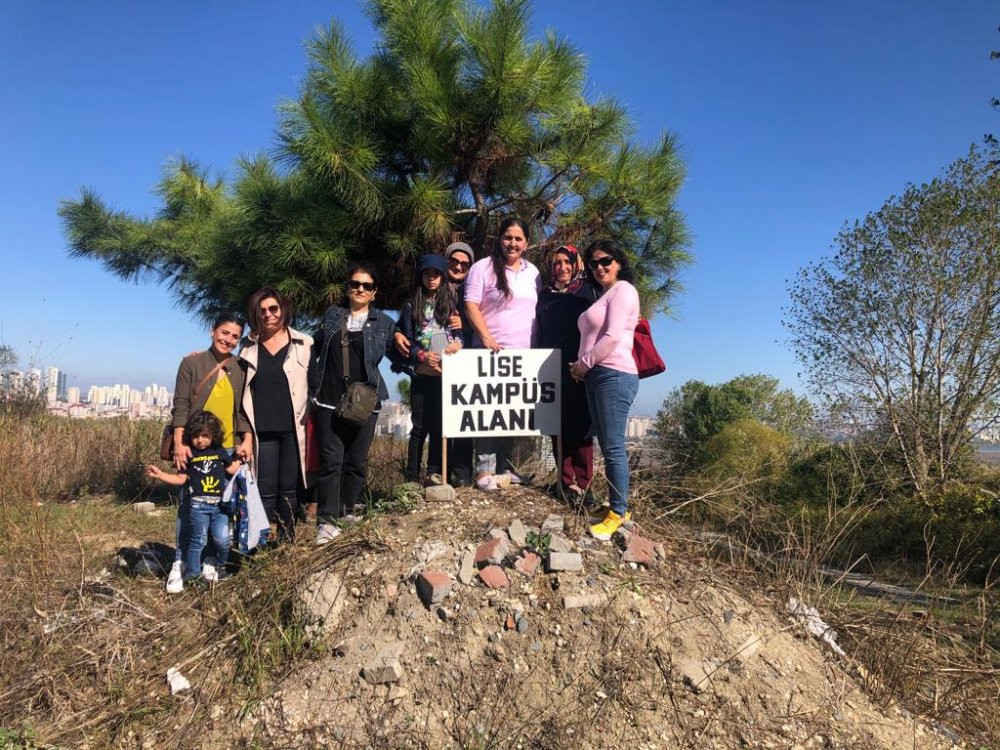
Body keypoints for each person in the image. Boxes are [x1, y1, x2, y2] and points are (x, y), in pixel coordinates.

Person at [308, 266, 395, 544]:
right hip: (328, 400)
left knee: (356, 461)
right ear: (347, 288)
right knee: (331, 462)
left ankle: (349, 512)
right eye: (355, 284)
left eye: (366, 286)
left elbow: (404, 349)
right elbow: (310, 346)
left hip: (365, 402)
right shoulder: (333, 315)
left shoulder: (384, 323)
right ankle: (326, 521)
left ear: (374, 293)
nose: (360, 289)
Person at [165, 313, 252, 593]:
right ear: (213, 331)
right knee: (188, 505)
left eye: (235, 336)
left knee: (221, 507)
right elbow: (180, 403)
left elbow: (243, 409)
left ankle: (211, 558)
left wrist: (246, 439)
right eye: (224, 332)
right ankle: (180, 561)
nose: (228, 339)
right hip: (195, 444)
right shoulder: (192, 362)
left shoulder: (240, 367)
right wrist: (180, 441)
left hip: (226, 447)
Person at [569, 239, 641, 540]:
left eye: (606, 261)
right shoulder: (604, 295)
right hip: (598, 375)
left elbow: (611, 336)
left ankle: (618, 511)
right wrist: (586, 368)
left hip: (613, 373)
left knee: (612, 447)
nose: (600, 267)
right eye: (594, 263)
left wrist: (582, 365)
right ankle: (615, 504)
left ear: (619, 263)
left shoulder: (623, 290)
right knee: (606, 444)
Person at [464, 218, 541, 484]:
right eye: (508, 237)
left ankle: (507, 468)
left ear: (526, 243)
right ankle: (485, 470)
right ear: (499, 239)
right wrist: (485, 337)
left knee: (513, 412)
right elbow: (471, 304)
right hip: (490, 352)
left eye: (518, 239)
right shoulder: (482, 268)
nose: (513, 243)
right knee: (489, 410)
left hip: (524, 355)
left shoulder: (533, 272)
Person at [395, 241, 476, 485]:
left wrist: (458, 345)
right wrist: (421, 356)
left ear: (442, 278)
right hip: (422, 374)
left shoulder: (449, 305)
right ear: (421, 276)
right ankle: (410, 478)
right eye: (427, 274)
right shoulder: (411, 305)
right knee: (419, 427)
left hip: (446, 373)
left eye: (436, 274)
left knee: (442, 424)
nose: (432, 279)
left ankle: (436, 471)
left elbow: (458, 334)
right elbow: (408, 339)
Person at [238, 287, 313, 542]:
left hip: (293, 428)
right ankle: (259, 540)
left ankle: (286, 541)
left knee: (289, 490)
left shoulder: (305, 343)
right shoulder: (247, 347)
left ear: (283, 309)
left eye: (273, 308)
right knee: (264, 489)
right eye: (262, 311)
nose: (268, 315)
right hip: (262, 429)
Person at [535, 244, 599, 504]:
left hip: (580, 368)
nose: (561, 267)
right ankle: (565, 482)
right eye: (556, 263)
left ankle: (584, 485)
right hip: (550, 368)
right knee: (557, 426)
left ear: (576, 264)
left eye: (566, 262)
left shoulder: (587, 292)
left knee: (581, 427)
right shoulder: (545, 296)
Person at [147, 411, 242, 584]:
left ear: (213, 435)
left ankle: (219, 567)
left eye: (205, 435)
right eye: (196, 436)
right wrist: (161, 475)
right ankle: (193, 576)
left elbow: (232, 469)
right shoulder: (189, 454)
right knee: (197, 541)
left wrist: (241, 458)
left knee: (223, 540)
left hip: (220, 507)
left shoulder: (219, 451)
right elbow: (180, 479)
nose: (201, 440)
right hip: (198, 508)